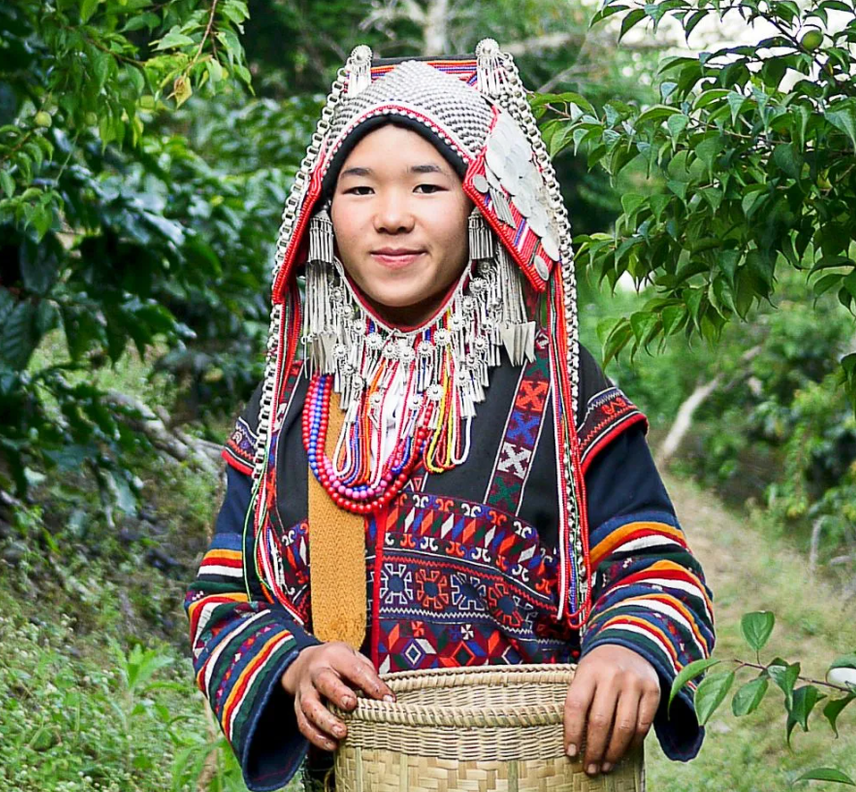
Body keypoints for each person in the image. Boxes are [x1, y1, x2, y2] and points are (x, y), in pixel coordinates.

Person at [185, 41, 714, 792]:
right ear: (324, 212)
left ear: (480, 205)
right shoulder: (296, 401)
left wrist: (629, 650)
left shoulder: (557, 384)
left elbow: (659, 572)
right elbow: (221, 598)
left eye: (428, 186)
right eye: (360, 189)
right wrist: (294, 664)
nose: (392, 217)